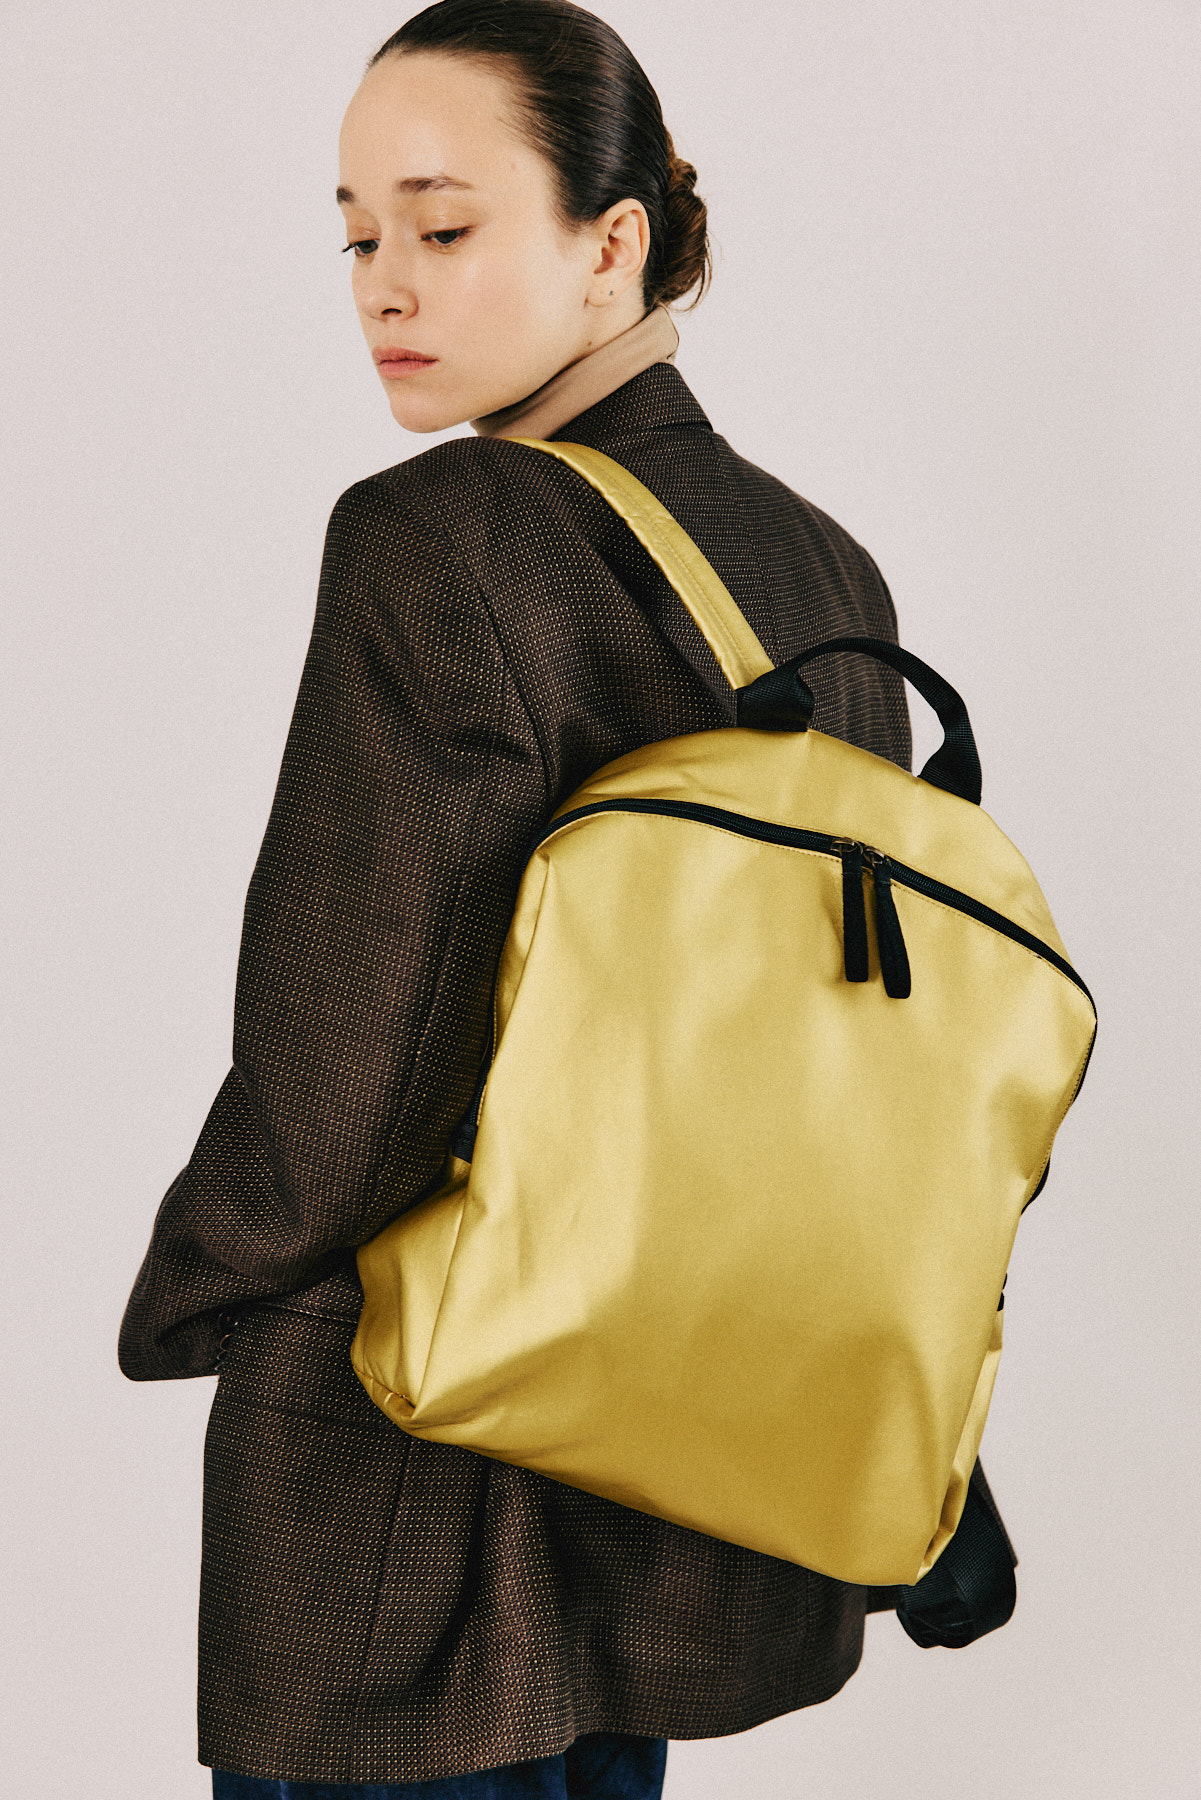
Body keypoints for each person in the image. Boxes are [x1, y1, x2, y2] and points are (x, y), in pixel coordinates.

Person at [118, 3, 914, 1795]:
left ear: (610, 242)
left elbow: (360, 1038)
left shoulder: (437, 535)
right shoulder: (820, 566)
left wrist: (203, 1283)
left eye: (444, 224)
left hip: (409, 1472)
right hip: (683, 1462)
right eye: (355, 236)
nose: (384, 287)